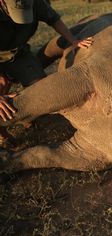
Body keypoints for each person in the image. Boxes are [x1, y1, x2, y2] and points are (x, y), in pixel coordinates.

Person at [0, 0, 92, 138]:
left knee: (41, 89)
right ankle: (3, 133)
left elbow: (54, 19)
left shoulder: (36, 3)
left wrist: (73, 40)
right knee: (1, 86)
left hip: (19, 52)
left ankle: (29, 118)